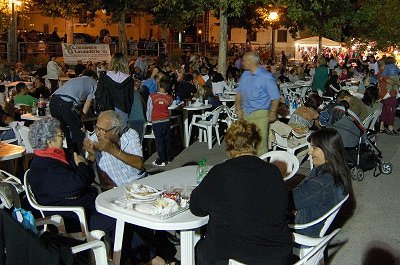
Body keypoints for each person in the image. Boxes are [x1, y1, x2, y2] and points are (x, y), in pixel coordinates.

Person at [28, 117, 172, 265]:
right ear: (49, 142)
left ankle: (141, 258)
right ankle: (153, 260)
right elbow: (78, 183)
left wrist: (85, 163)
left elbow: (84, 177)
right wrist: (82, 166)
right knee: (119, 218)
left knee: (127, 213)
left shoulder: (58, 156)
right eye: (60, 135)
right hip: (73, 216)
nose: (64, 137)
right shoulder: (44, 167)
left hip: (87, 204)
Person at [190, 119, 293, 265]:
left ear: (229, 147)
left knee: (199, 249)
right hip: (278, 257)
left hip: (235, 258)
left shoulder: (220, 173)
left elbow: (196, 208)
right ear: (255, 144)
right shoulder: (273, 172)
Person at [290, 128, 351, 237]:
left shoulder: (319, 183)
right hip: (317, 221)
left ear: (328, 150)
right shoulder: (339, 169)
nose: (310, 152)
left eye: (314, 148)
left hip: (304, 229)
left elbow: (286, 201)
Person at [84, 110, 146, 187]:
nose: (97, 133)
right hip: (117, 189)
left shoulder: (130, 135)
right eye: (96, 128)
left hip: (141, 182)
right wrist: (91, 155)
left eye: (102, 130)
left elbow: (139, 164)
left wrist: (111, 149)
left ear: (116, 131)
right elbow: (86, 175)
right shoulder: (93, 141)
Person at [235, 51, 280, 156]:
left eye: (244, 60)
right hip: (246, 113)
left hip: (260, 114)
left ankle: (260, 168)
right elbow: (239, 92)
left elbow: (275, 97)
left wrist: (272, 112)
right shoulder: (245, 75)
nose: (242, 62)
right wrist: (238, 107)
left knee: (260, 144)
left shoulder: (266, 77)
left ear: (251, 62)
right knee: (245, 143)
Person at [50, 70, 97, 153]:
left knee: (62, 132)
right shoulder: (94, 83)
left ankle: (66, 155)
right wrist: (81, 119)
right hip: (66, 104)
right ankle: (79, 158)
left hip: (53, 102)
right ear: (93, 77)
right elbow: (88, 103)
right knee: (78, 132)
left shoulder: (76, 79)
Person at [95, 52, 134, 125]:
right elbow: (130, 99)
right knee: (121, 133)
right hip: (123, 110)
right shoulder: (129, 79)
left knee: (107, 133)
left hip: (107, 110)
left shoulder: (104, 76)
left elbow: (98, 94)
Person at [146, 76, 173, 167]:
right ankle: (168, 157)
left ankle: (161, 159)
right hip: (166, 120)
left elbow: (149, 109)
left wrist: (149, 119)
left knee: (159, 141)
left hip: (156, 121)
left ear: (159, 85)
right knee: (167, 139)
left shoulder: (152, 96)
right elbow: (169, 104)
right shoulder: (169, 98)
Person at [378, 57, 400, 135]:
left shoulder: (380, 72)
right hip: (390, 94)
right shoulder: (384, 72)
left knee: (384, 110)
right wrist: (397, 82)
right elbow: (391, 81)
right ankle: (390, 128)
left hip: (384, 95)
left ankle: (381, 127)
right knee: (391, 111)